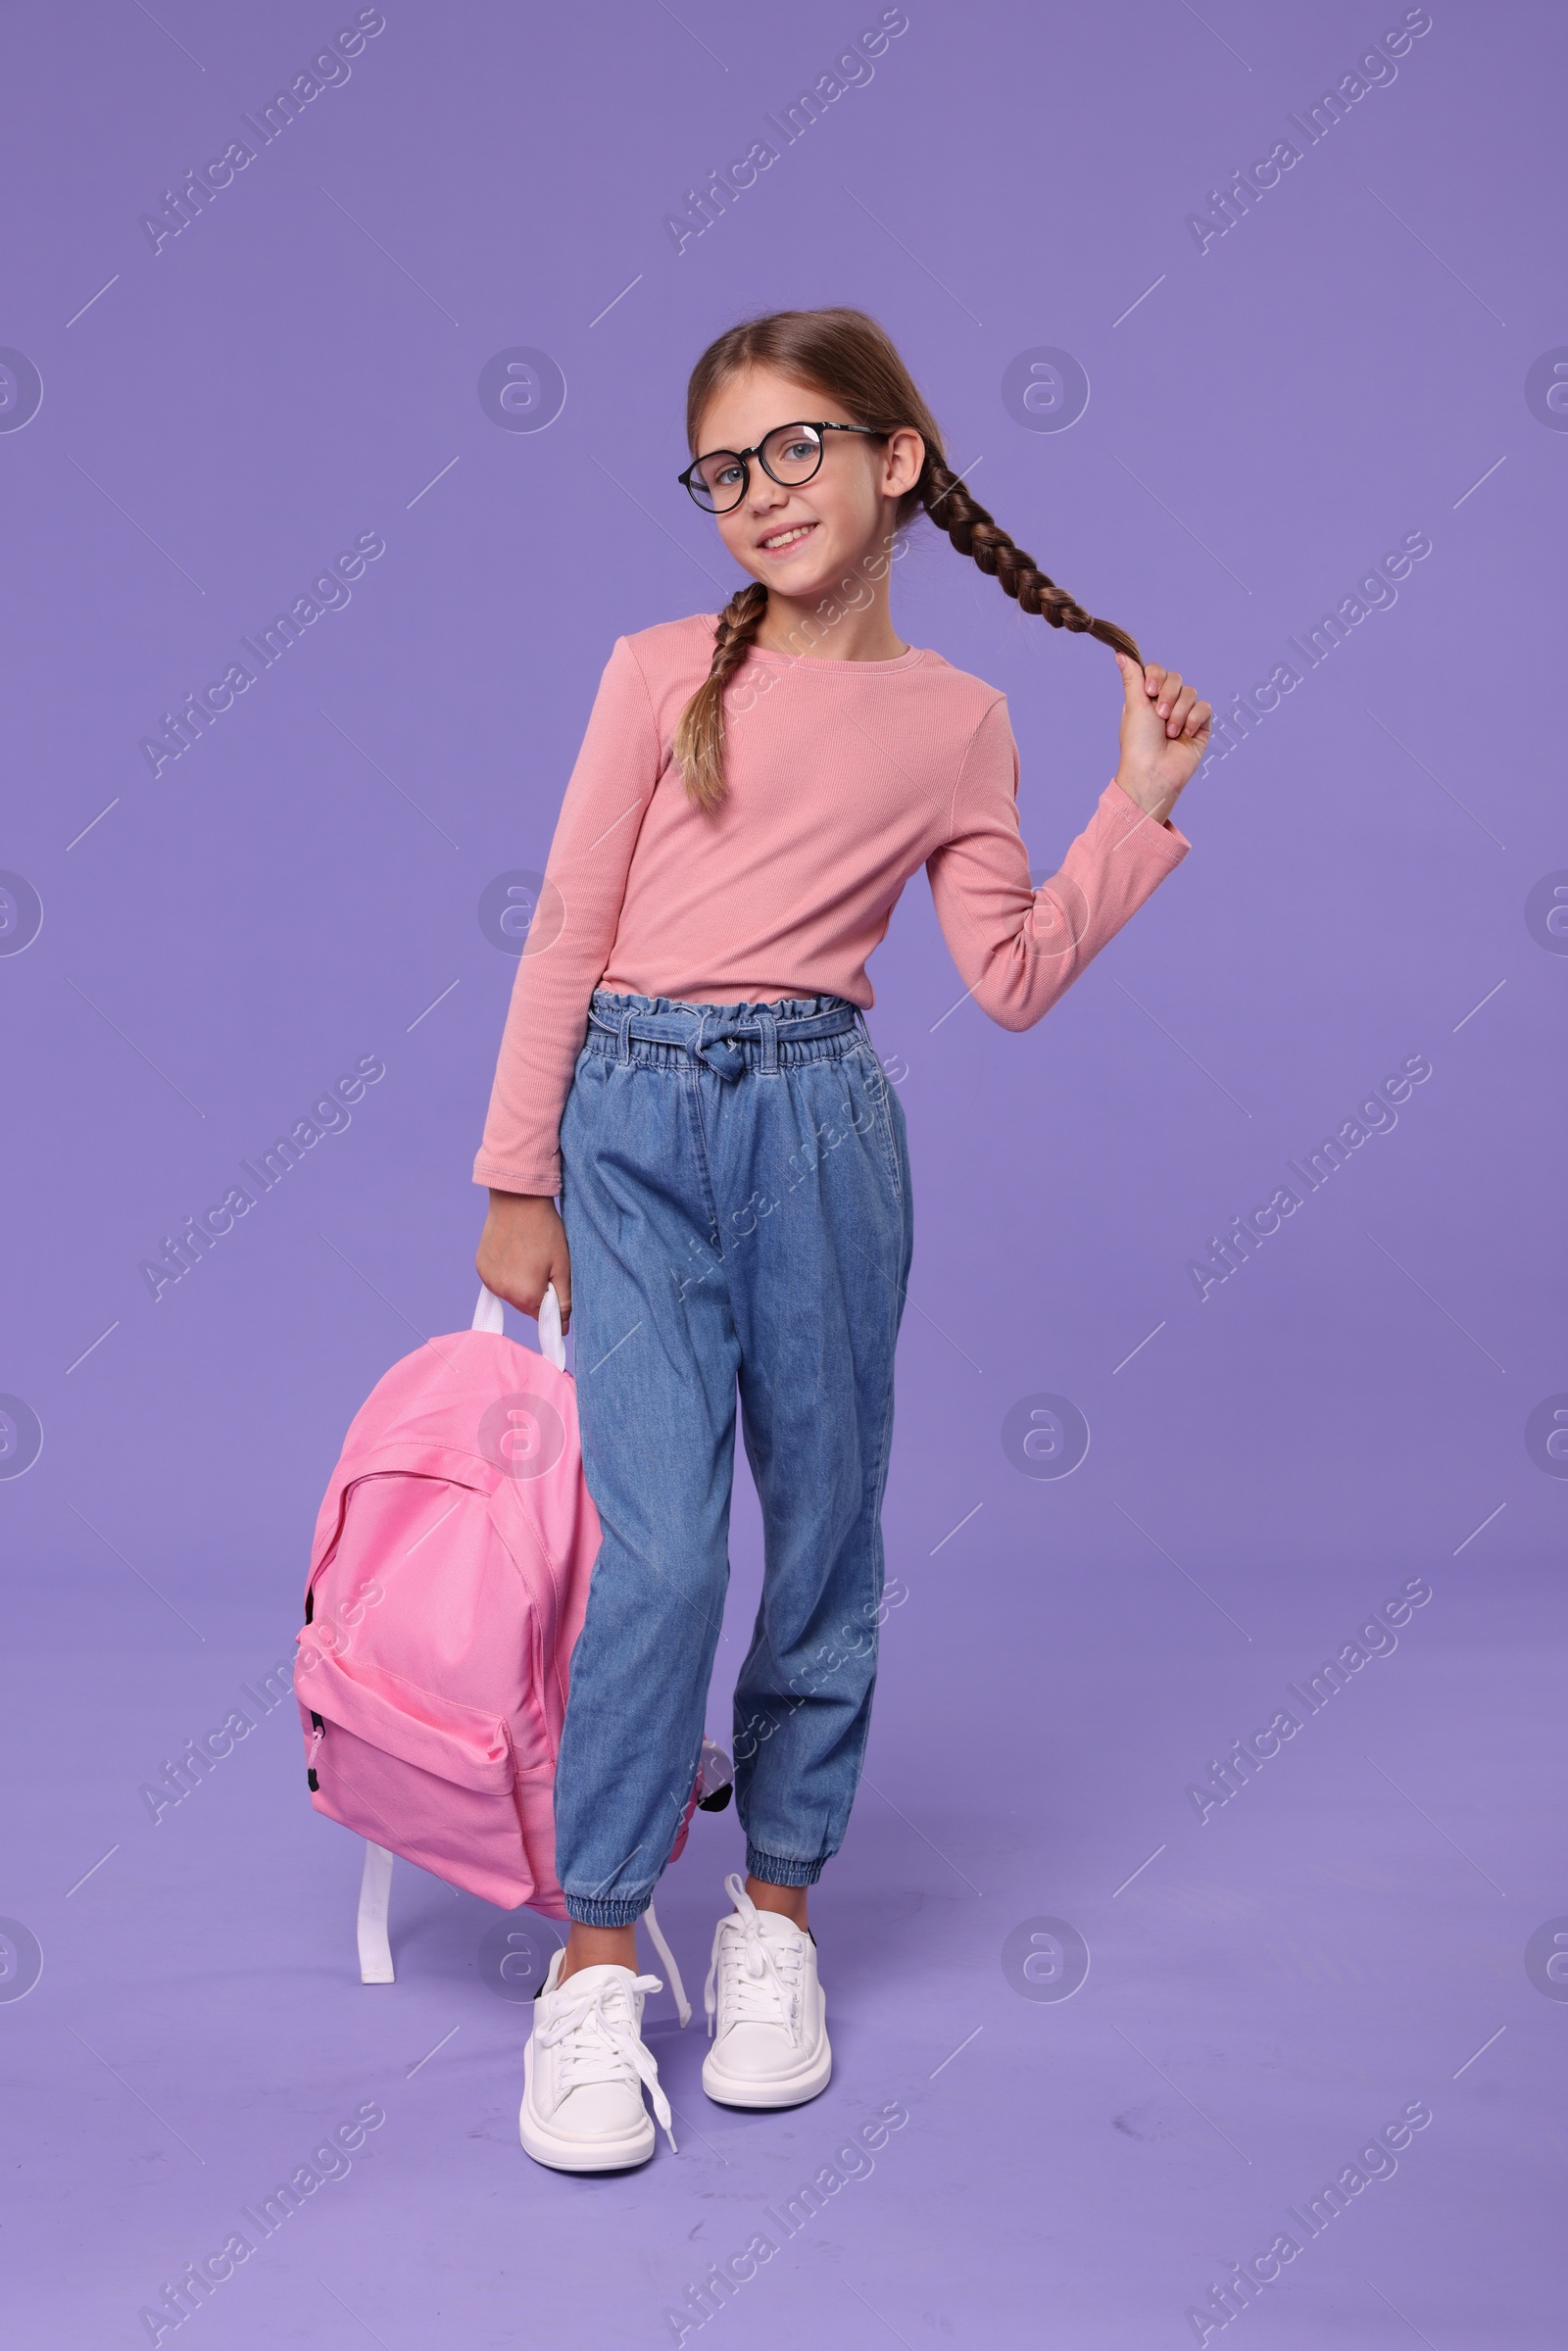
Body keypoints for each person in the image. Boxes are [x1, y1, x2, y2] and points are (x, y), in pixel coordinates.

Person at [473, 307, 1209, 2172]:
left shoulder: (961, 715)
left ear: (897, 461)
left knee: (828, 1526)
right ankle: (596, 1957)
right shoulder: (655, 670)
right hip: (629, 1122)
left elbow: (1013, 973)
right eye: (725, 471)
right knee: (656, 1547)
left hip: (820, 1125)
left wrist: (1134, 811)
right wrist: (517, 1174)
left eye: (795, 450)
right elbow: (568, 926)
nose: (756, 495)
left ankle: (777, 1915)